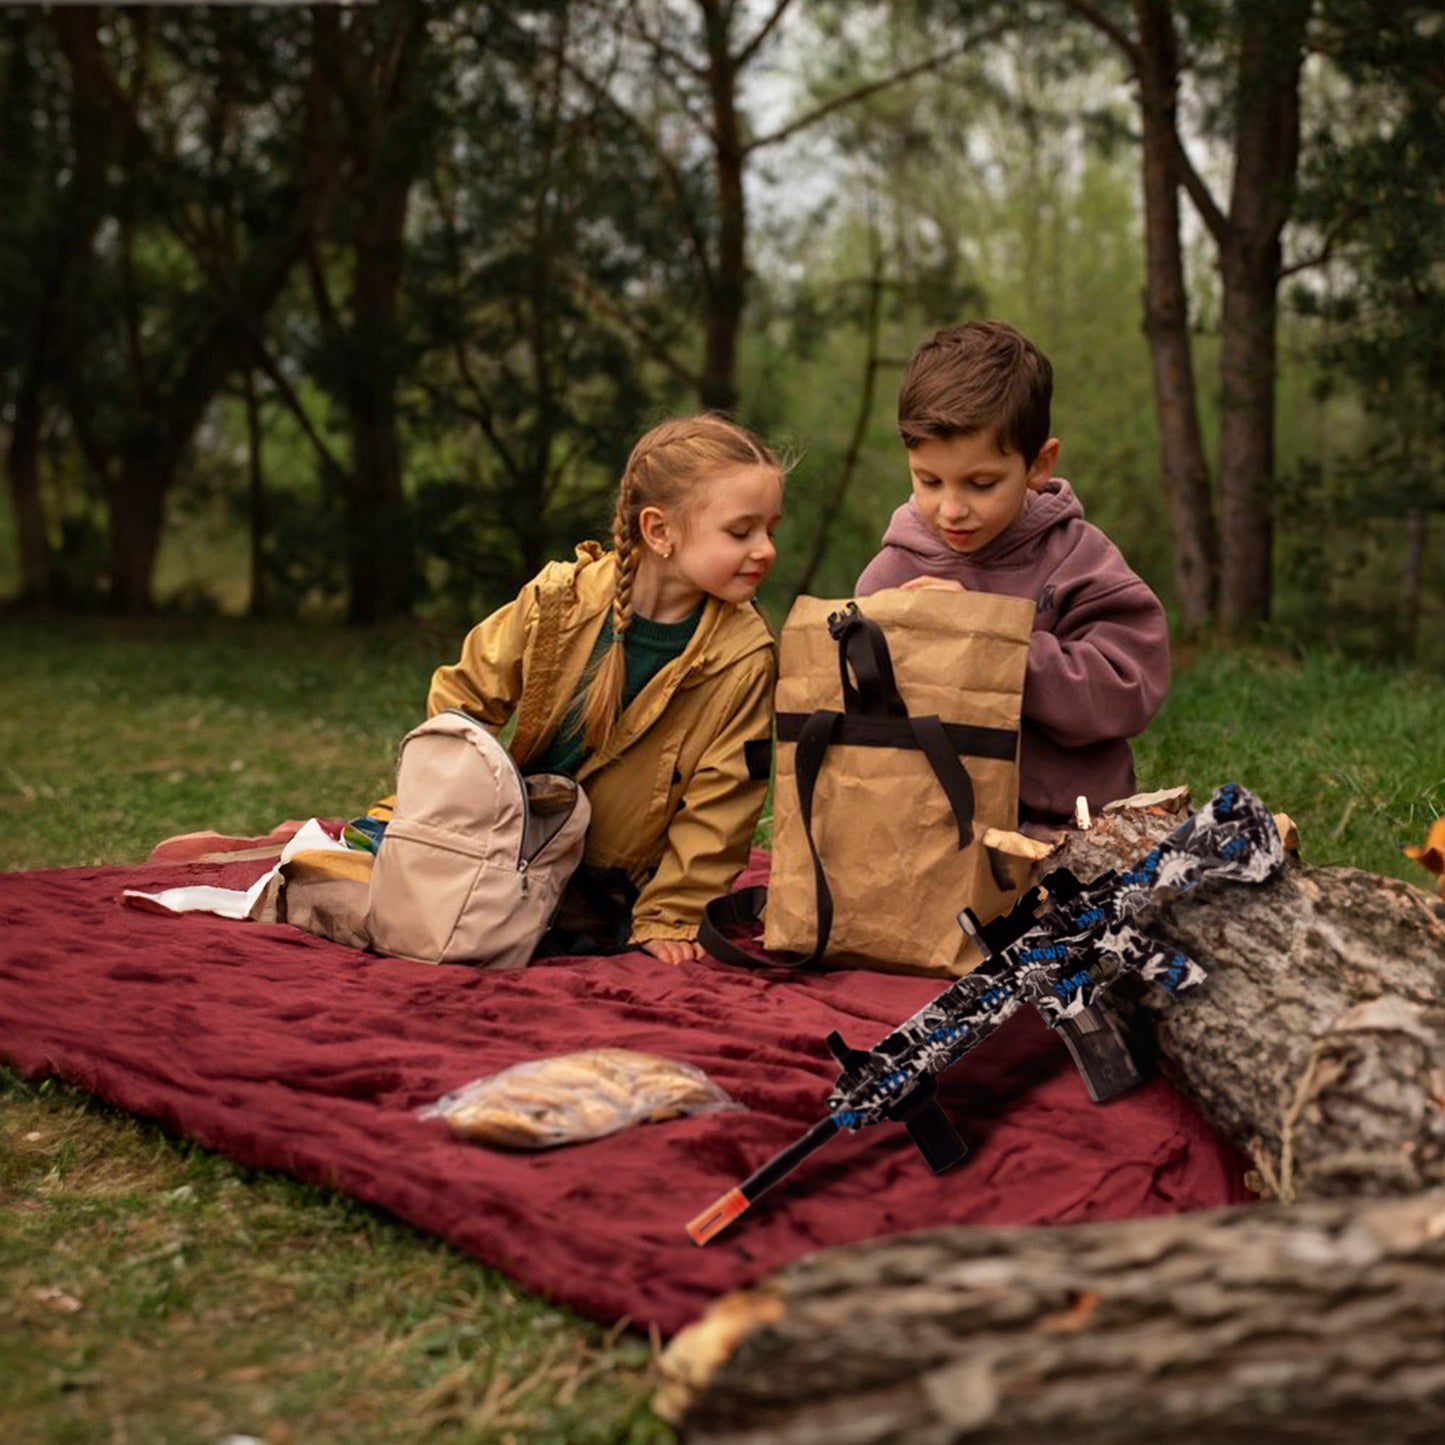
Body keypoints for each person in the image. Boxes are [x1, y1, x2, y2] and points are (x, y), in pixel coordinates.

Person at [429, 414, 784, 963]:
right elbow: (460, 703)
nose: (765, 550)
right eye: (741, 532)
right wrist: (447, 820)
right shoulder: (560, 600)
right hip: (503, 852)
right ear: (659, 531)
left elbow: (722, 805)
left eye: (770, 530)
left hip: (611, 891)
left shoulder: (744, 658)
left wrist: (673, 913)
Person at [855, 319, 1170, 826]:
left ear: (1039, 465)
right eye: (928, 480)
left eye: (981, 484)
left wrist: (989, 637)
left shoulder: (1079, 559)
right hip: (933, 835)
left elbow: (1129, 691)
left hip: (1070, 827)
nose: (951, 509)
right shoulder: (890, 575)